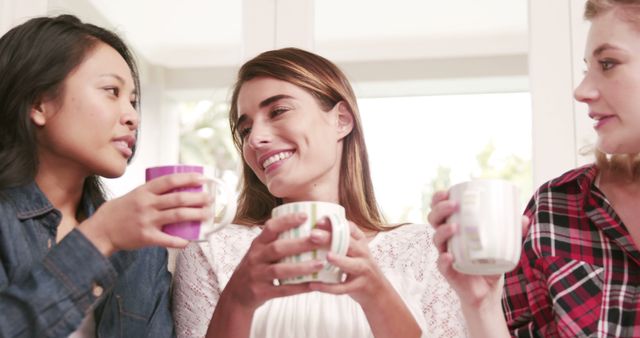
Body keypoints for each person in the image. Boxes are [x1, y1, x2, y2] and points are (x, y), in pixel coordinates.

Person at [172, 47, 467, 338]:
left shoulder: (422, 250)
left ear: (341, 120)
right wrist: (237, 299)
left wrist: (377, 294)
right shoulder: (212, 248)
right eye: (245, 130)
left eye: (278, 111)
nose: (256, 139)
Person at [428, 0, 640, 336]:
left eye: (608, 63)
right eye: (587, 69)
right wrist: (481, 304)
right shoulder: (557, 207)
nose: (581, 90)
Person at [0, 14, 212, 337]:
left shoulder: (141, 246)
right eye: (111, 91)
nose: (132, 117)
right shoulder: (113, 231)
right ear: (38, 103)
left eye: (133, 101)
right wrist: (101, 238)